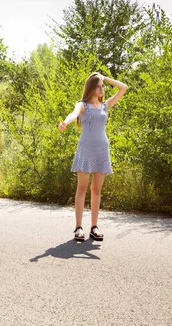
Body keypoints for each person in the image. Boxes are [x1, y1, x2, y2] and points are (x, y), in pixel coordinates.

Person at [58, 72, 127, 242]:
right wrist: (65, 122)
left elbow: (123, 88)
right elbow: (74, 114)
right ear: (91, 88)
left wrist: (105, 79)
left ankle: (94, 227)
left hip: (102, 150)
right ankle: (78, 227)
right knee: (81, 189)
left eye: (102, 86)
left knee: (96, 190)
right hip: (86, 150)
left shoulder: (104, 106)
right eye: (98, 86)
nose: (101, 89)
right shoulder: (83, 105)